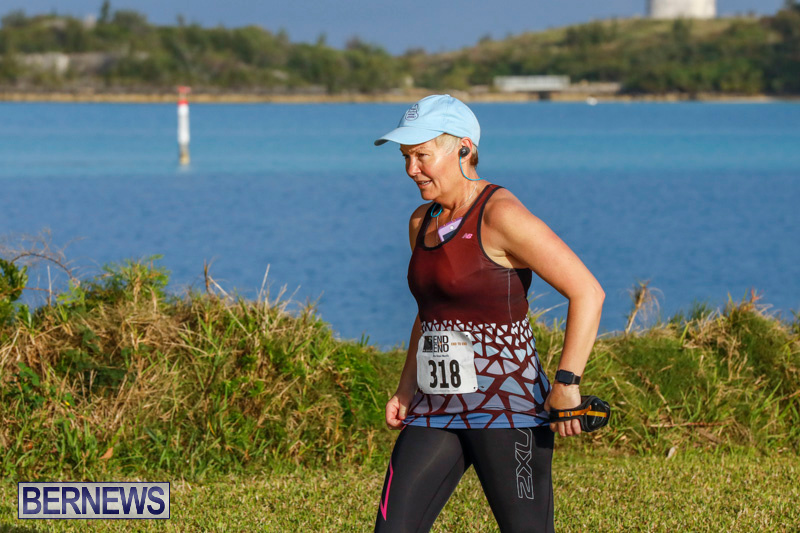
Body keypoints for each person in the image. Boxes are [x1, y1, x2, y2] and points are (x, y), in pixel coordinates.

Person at [372, 94, 605, 533]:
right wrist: (405, 390)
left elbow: (587, 292)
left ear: (463, 148)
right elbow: (430, 314)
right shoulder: (421, 221)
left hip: (507, 407)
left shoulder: (501, 215)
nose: (411, 169)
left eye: (421, 156)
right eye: (405, 157)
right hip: (435, 407)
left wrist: (567, 384)